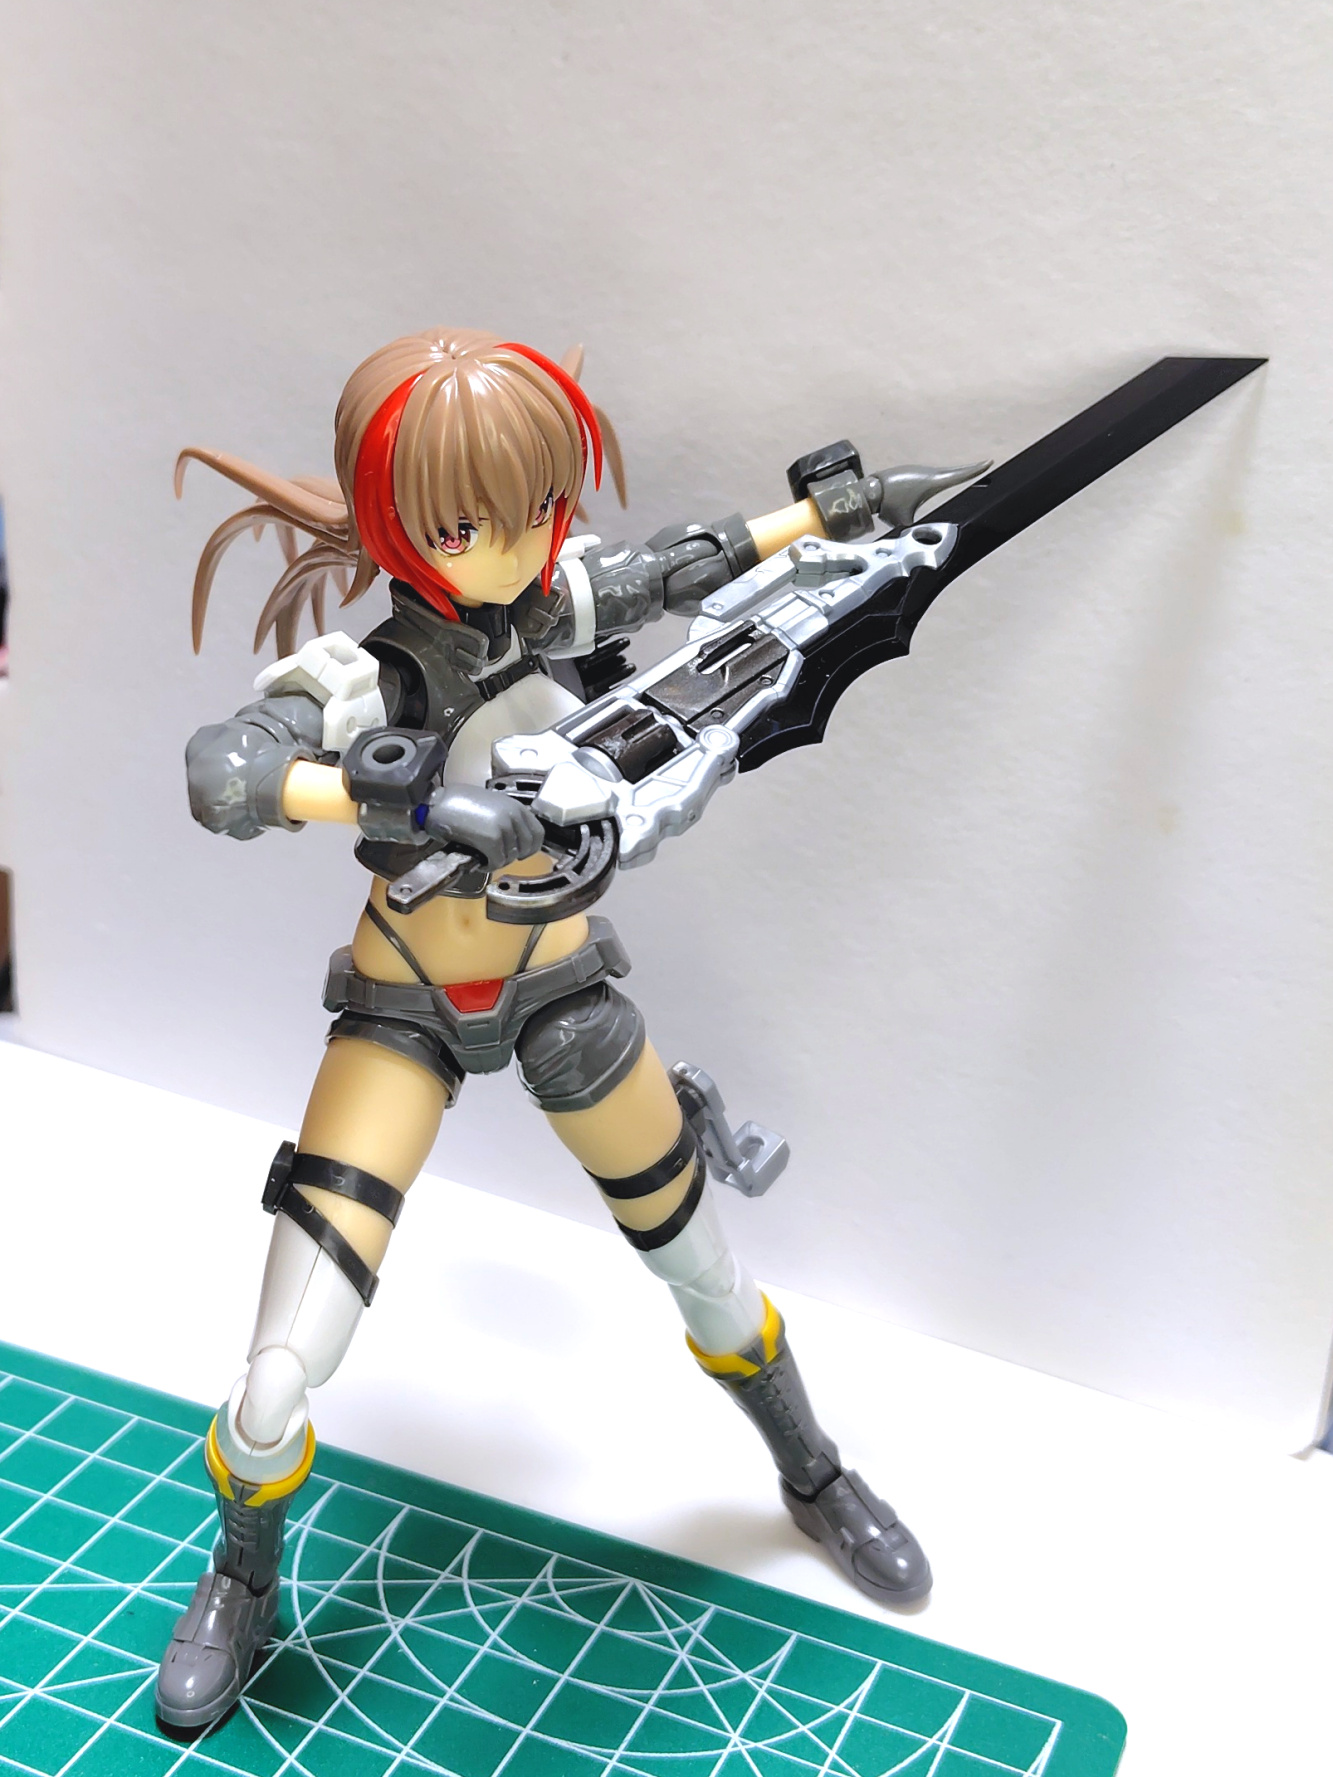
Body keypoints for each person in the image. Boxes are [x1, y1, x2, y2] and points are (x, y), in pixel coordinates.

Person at [157, 327, 933, 1731]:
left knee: (704, 1269)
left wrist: (827, 517)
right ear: (399, 522)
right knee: (277, 1373)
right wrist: (397, 797)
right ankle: (241, 1572)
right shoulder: (369, 680)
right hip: (405, 1007)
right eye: (469, 525)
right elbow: (225, 773)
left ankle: (812, 1472)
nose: (512, 548)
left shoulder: (554, 602)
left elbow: (686, 565)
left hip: (563, 992)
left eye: (537, 509)